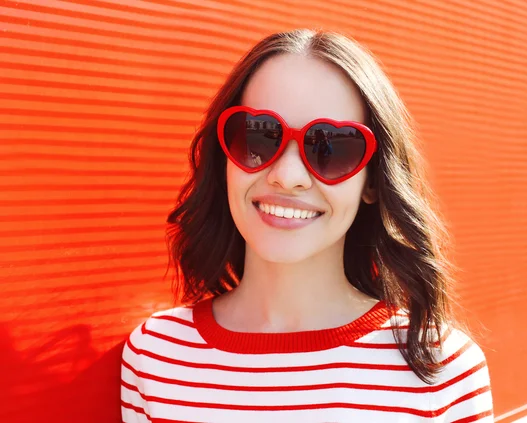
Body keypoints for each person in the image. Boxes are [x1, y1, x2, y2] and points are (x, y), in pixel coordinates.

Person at [121, 29, 494, 422]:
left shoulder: (442, 370)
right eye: (258, 137)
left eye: (331, 146)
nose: (287, 175)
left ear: (372, 182)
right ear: (225, 160)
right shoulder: (156, 356)